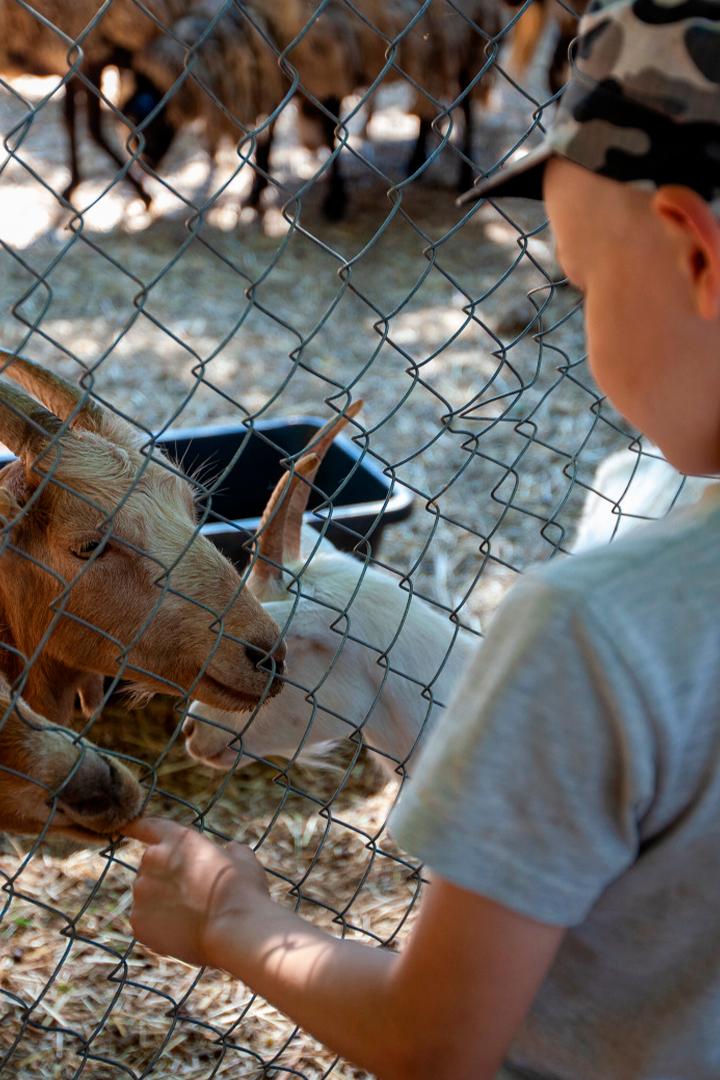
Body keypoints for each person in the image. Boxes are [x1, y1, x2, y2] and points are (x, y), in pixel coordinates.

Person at [126, 2, 720, 1077]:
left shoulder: (589, 629)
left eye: (580, 284)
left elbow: (432, 1040)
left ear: (697, 255)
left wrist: (230, 918)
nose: (581, 333)